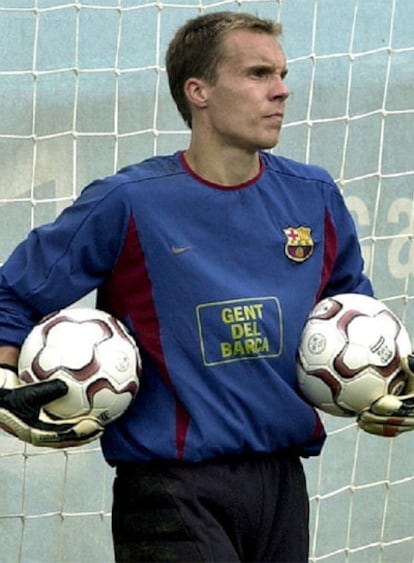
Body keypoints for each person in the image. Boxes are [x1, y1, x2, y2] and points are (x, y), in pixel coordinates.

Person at [0, 10, 413, 562]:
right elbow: (13, 294)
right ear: (198, 91)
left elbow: (353, 316)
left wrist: (390, 384)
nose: (281, 91)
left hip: (282, 484)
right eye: (258, 74)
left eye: (282, 74)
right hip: (171, 489)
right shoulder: (130, 202)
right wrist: (4, 380)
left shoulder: (313, 197)